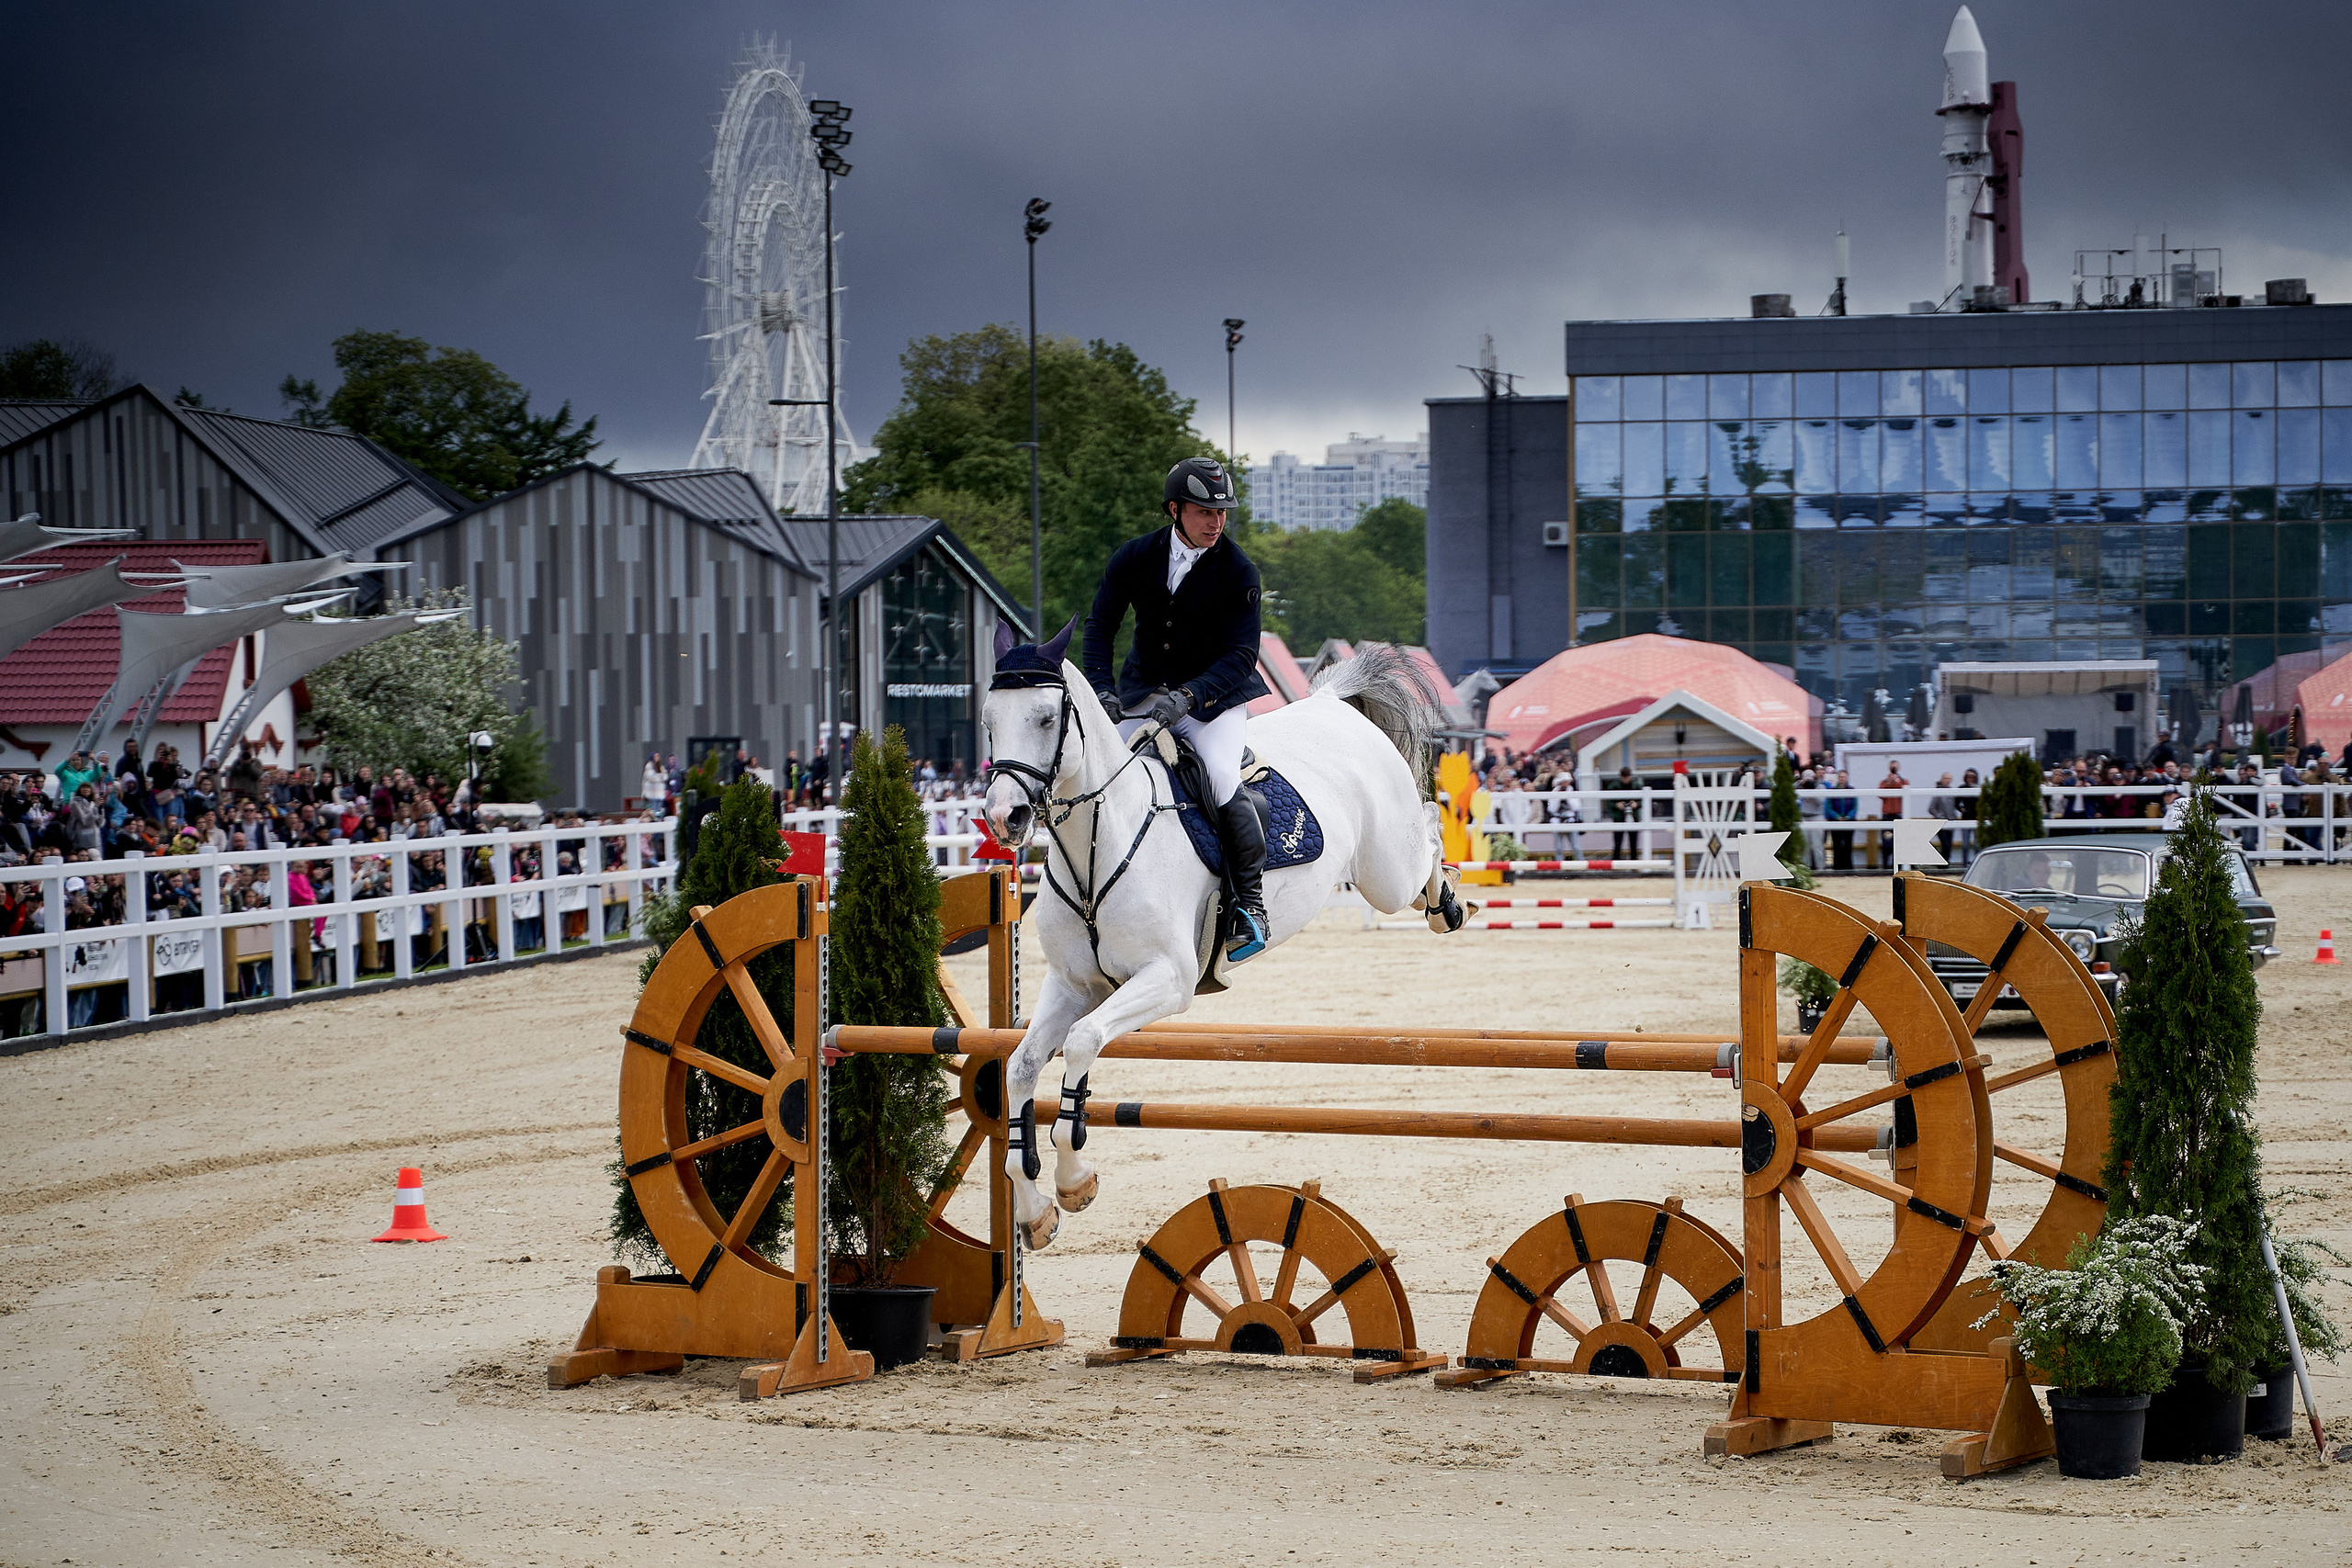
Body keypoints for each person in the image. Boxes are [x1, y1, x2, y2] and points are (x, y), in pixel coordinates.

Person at [1081, 456, 1272, 962]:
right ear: (1175, 509)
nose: (1216, 522)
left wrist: (1190, 696)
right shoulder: (1134, 557)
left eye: (1223, 512)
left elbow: (1241, 655)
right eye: (1205, 511)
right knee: (1100, 778)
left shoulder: (1238, 572)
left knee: (1220, 777)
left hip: (1214, 702)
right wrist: (1102, 690)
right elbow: (1100, 629)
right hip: (1143, 693)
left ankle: (1248, 907)